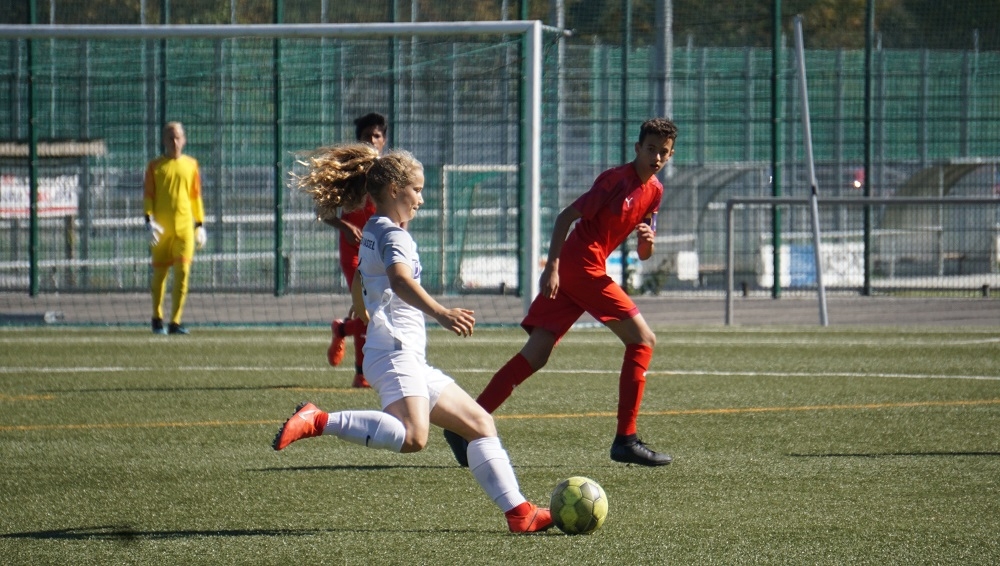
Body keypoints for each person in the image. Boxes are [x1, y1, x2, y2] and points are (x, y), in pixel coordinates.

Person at [274, 143, 552, 534]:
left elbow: (361, 278)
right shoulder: (394, 235)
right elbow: (400, 280)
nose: (421, 199)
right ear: (394, 190)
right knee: (412, 437)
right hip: (395, 353)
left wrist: (364, 309)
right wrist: (442, 313)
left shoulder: (374, 227)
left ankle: (520, 513)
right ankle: (319, 420)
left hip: (402, 355)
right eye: (417, 190)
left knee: (479, 423)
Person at [445, 118, 678, 468]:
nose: (656, 157)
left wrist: (648, 243)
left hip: (581, 270)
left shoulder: (655, 191)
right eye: (651, 149)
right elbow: (565, 217)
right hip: (580, 267)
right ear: (637, 148)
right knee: (643, 340)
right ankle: (625, 439)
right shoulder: (615, 180)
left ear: (670, 155)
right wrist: (551, 266)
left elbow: (645, 254)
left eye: (664, 152)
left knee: (536, 354)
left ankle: (464, 425)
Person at [321, 112, 389, 388]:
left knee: (382, 309)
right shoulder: (346, 172)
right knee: (366, 308)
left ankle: (341, 329)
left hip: (382, 249)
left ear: (384, 140)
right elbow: (323, 211)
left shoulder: (392, 171)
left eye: (377, 135)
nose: (372, 140)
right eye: (366, 136)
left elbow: (403, 211)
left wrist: (400, 237)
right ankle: (362, 374)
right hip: (353, 250)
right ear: (358, 140)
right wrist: (345, 226)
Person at [143, 121, 206, 335]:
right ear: (164, 140)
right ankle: (157, 318)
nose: (174, 142)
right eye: (170, 138)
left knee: (183, 272)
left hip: (185, 228)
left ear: (184, 140)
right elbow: (148, 196)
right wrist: (148, 221)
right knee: (160, 275)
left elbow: (196, 197)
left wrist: (200, 224)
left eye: (178, 137)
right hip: (161, 230)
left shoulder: (191, 165)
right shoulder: (155, 167)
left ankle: (175, 322)